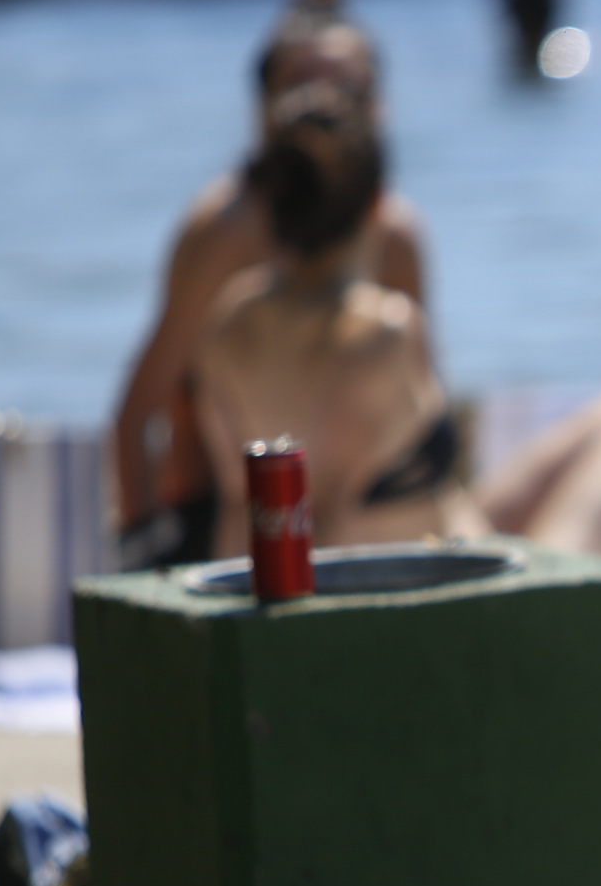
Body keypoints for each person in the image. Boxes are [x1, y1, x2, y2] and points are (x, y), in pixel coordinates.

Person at [111, 0, 430, 568]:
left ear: (379, 104)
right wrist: (142, 558)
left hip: (364, 526)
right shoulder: (224, 231)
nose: (325, 107)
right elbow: (139, 412)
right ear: (263, 108)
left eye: (348, 90)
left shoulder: (398, 233)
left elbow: (420, 431)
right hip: (226, 529)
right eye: (302, 89)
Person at [191, 86, 476, 555]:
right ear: (377, 205)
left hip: (264, 567)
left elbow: (242, 504)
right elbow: (320, 522)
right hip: (427, 582)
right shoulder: (382, 330)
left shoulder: (228, 319)